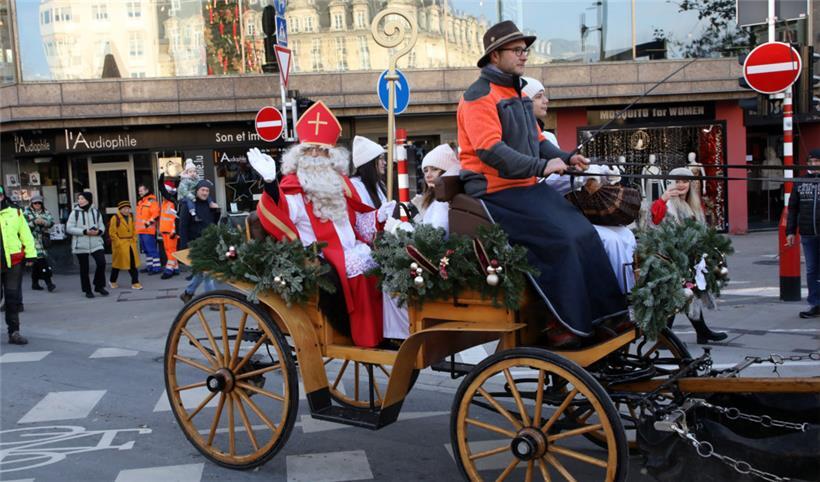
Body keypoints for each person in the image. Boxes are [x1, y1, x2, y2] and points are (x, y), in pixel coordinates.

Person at [458, 20, 627, 347]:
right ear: (495, 55)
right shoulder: (478, 96)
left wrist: (565, 157)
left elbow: (536, 141)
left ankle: (606, 316)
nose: (524, 55)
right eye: (517, 50)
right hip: (494, 192)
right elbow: (491, 151)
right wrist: (542, 166)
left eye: (525, 50)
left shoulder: (516, 91)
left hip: (524, 187)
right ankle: (565, 323)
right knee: (561, 239)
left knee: (583, 231)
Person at [247, 101, 396, 348]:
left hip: (351, 248)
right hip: (318, 254)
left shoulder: (339, 184)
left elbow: (355, 223)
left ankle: (386, 331)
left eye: (322, 150)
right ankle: (363, 335)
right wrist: (271, 182)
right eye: (309, 150)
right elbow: (280, 212)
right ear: (300, 155)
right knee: (357, 271)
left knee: (382, 264)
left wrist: (378, 216)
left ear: (331, 156)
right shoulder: (294, 188)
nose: (315, 155)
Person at [651, 167, 727, 343]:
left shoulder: (693, 204)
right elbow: (654, 221)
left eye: (684, 181)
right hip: (672, 259)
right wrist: (663, 199)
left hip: (691, 259)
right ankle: (665, 338)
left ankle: (701, 332)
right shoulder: (668, 203)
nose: (681, 185)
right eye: (677, 181)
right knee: (675, 296)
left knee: (691, 294)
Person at [786, 148, 820, 319]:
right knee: (812, 269)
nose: (814, 164)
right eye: (811, 162)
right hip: (807, 233)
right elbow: (792, 208)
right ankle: (815, 304)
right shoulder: (800, 182)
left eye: (817, 161)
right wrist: (790, 231)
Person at [1, 186, 37, 344]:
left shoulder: (15, 212)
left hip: (13, 261)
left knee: (12, 298)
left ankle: (14, 332)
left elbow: (26, 234)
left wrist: (31, 254)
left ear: (2, 196)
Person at [178, 180, 221, 303]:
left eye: (207, 190)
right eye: (202, 190)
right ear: (197, 191)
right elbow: (183, 227)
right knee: (208, 272)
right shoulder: (188, 205)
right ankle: (212, 301)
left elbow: (213, 223)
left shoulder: (209, 204)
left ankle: (188, 293)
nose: (205, 193)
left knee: (201, 272)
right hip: (195, 244)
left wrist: (216, 211)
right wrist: (184, 247)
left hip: (208, 243)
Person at [65, 191, 108, 298]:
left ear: (88, 200)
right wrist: (84, 231)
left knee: (101, 263)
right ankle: (87, 290)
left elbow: (102, 226)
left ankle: (99, 286)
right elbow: (69, 228)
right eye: (79, 199)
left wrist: (98, 231)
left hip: (96, 243)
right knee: (84, 268)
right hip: (80, 244)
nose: (80, 201)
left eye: (82, 198)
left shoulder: (96, 212)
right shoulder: (74, 213)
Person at [411, 144, 461, 233]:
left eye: (434, 169)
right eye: (425, 170)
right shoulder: (437, 198)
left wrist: (398, 227)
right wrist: (423, 214)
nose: (428, 175)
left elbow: (436, 236)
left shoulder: (443, 202)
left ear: (447, 172)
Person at [23, 195, 56, 292]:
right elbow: (23, 227)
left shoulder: (46, 212)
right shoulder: (26, 213)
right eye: (35, 203)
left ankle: (35, 283)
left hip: (43, 240)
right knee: (42, 262)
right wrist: (34, 222)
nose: (37, 205)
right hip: (32, 241)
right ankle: (49, 283)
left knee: (37, 264)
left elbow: (51, 222)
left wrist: (44, 222)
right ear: (31, 204)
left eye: (39, 203)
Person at [108, 200, 142, 290]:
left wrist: (134, 239)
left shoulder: (131, 217)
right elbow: (112, 233)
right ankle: (112, 280)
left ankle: (135, 282)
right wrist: (118, 242)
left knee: (132, 263)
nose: (127, 210)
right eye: (124, 208)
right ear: (120, 209)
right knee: (117, 265)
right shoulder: (115, 218)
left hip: (130, 243)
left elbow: (134, 229)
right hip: (121, 244)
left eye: (128, 208)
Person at [351, 136, 387, 209]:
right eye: (381, 158)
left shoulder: (378, 183)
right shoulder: (355, 185)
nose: (385, 162)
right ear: (369, 162)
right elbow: (363, 212)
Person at [136, 184, 161, 275]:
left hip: (148, 231)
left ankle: (156, 268)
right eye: (139, 191)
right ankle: (150, 267)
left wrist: (148, 224)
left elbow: (156, 214)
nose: (140, 192)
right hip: (141, 231)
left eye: (141, 190)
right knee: (146, 250)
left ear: (147, 190)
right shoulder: (141, 202)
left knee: (151, 250)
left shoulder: (152, 201)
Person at [158, 176, 180, 279]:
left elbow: (175, 219)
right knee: (168, 250)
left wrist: (174, 231)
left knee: (171, 250)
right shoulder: (165, 202)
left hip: (171, 231)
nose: (162, 195)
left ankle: (169, 269)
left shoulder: (172, 202)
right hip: (165, 230)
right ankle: (175, 268)